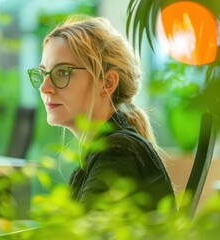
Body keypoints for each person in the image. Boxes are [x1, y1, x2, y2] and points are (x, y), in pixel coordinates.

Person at [27, 15, 175, 211]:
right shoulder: (103, 151)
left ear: (108, 83)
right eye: (43, 73)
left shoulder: (118, 153)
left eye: (62, 72)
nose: (45, 87)